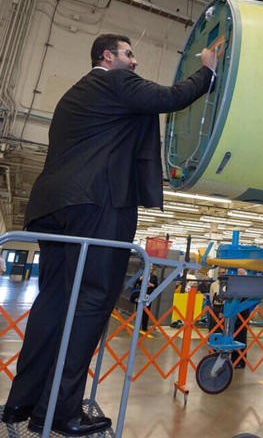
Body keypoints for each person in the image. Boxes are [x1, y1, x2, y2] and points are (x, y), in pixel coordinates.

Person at [1, 34, 218, 436]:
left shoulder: (72, 96)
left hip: (53, 208)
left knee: (53, 303)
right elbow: (169, 98)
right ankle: (61, 412)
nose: (134, 62)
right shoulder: (115, 82)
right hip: (98, 204)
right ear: (107, 56)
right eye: (128, 54)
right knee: (92, 301)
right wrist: (207, 69)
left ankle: (22, 402)